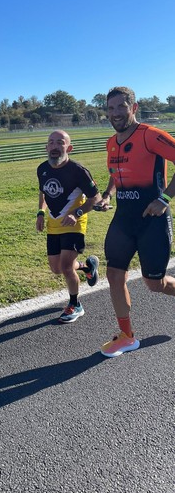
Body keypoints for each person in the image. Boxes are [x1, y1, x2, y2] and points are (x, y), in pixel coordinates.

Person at [96, 86, 175, 357]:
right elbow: (116, 173)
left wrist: (164, 198)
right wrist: (107, 195)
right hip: (123, 220)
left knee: (155, 284)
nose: (115, 113)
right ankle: (127, 336)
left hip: (152, 221)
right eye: (111, 108)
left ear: (134, 108)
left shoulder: (150, 135)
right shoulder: (110, 143)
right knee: (113, 274)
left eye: (121, 106)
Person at [36, 130, 101, 323]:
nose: (55, 146)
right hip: (53, 224)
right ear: (46, 147)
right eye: (51, 143)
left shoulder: (78, 171)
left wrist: (77, 213)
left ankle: (75, 304)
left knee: (65, 266)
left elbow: (95, 198)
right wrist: (40, 212)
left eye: (60, 142)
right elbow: (43, 193)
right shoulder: (42, 169)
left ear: (69, 148)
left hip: (75, 223)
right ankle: (87, 267)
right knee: (57, 268)